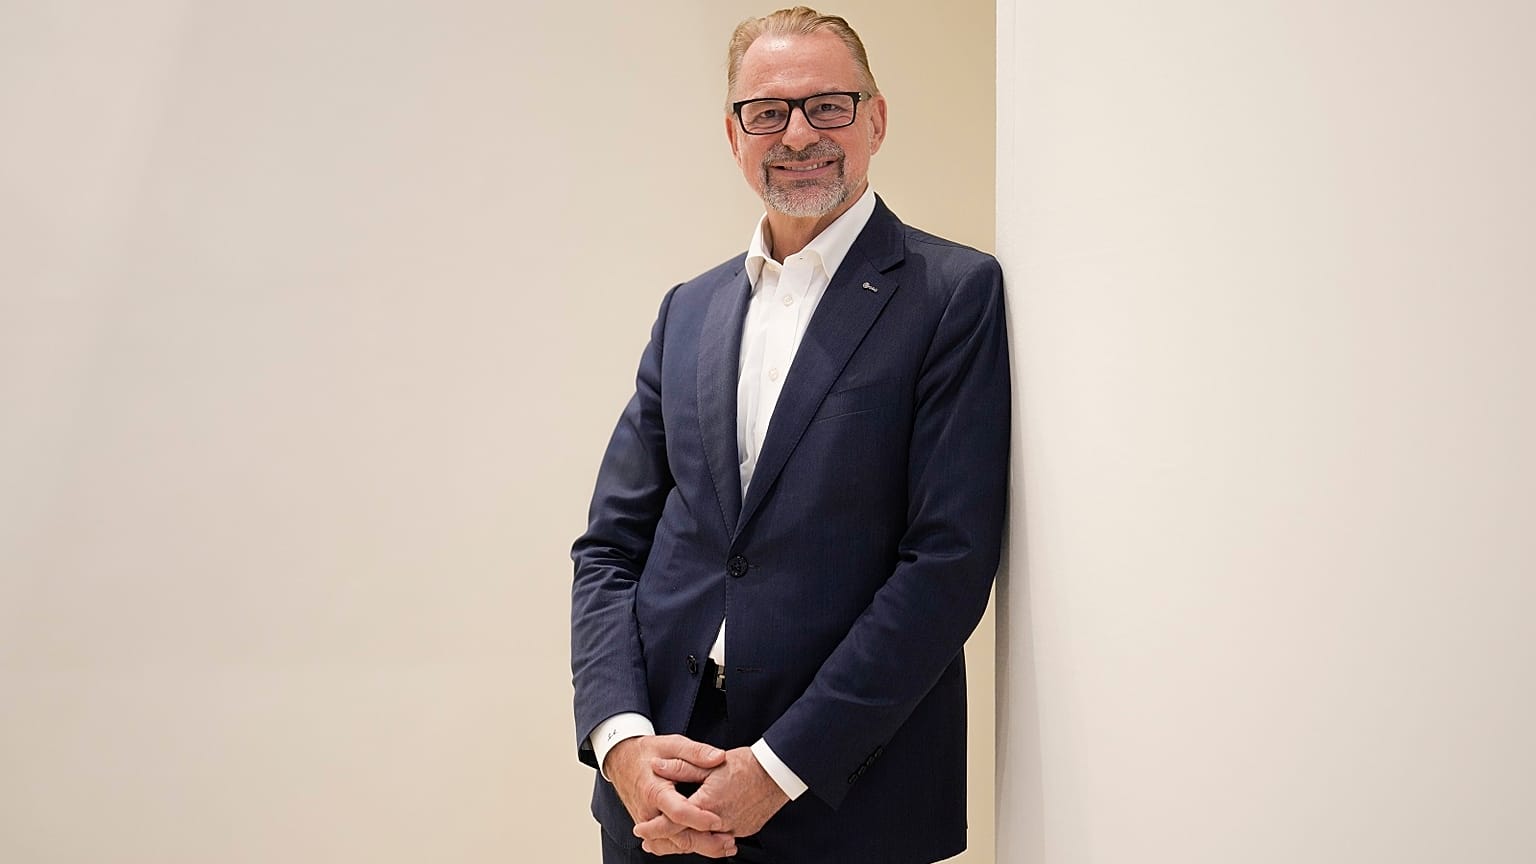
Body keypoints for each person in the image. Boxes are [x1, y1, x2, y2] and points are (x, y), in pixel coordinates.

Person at [571, 7, 1009, 863]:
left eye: (828, 106)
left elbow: (948, 566)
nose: (798, 133)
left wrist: (778, 768)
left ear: (876, 118)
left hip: (848, 797)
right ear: (733, 135)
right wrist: (621, 742)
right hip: (657, 799)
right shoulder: (686, 310)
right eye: (767, 111)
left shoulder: (953, 294)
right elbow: (610, 549)